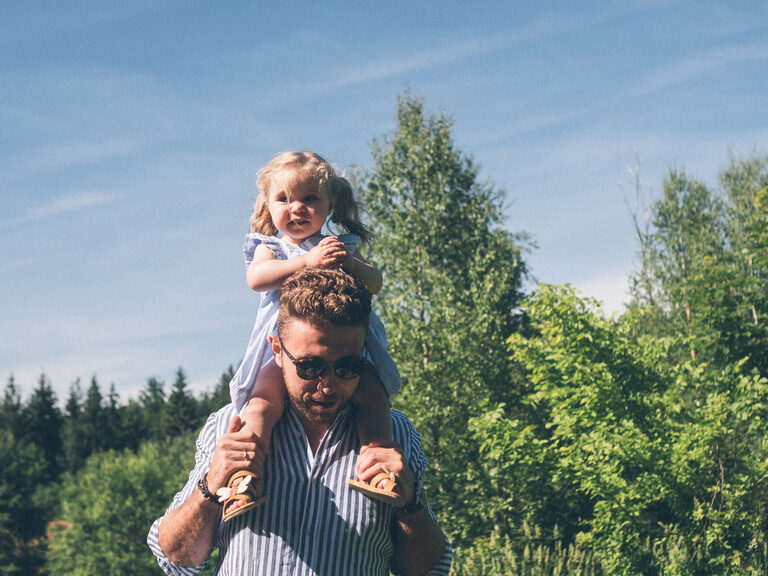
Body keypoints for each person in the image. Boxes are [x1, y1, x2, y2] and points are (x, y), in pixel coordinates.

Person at [147, 267, 452, 575]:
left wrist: (411, 505)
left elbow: (426, 571)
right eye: (310, 367)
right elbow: (176, 559)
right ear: (277, 350)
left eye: (348, 367)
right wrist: (210, 488)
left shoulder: (395, 433)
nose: (328, 385)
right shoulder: (232, 426)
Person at [218, 151, 402, 520]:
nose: (296, 208)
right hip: (281, 353)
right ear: (268, 205)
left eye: (309, 199)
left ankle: (378, 464)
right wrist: (305, 262)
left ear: (331, 204)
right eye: (283, 199)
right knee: (262, 404)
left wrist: (348, 262)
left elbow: (376, 281)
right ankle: (244, 477)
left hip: (345, 349)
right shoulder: (271, 248)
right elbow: (257, 279)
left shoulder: (338, 246)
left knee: (373, 394)